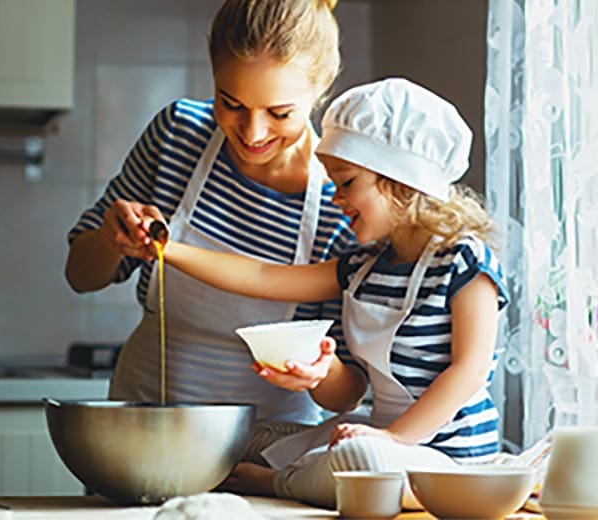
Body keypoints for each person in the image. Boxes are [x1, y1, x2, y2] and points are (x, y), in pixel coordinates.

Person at [64, 0, 365, 460]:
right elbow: (80, 274)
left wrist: (320, 373)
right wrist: (111, 239)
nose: (252, 133)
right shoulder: (177, 135)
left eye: (280, 112)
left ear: (322, 88)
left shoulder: (343, 195)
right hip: (141, 431)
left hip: (267, 451)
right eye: (231, 103)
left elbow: (348, 388)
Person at [160, 78, 510, 508]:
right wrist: (164, 248)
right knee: (250, 437)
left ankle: (277, 483)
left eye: (346, 183)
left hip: (449, 463)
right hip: (381, 440)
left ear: (398, 180)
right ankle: (304, 471)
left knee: (361, 458)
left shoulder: (464, 263)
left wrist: (393, 438)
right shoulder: (363, 266)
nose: (336, 197)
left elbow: (469, 371)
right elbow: (263, 277)